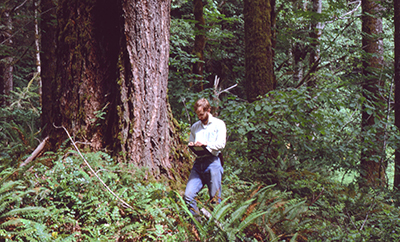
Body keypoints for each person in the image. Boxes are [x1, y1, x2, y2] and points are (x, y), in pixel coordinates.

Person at [184, 98, 226, 216]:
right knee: (188, 195)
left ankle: (217, 227)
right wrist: (192, 145)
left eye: (201, 114)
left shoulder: (219, 124)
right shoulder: (195, 127)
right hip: (198, 163)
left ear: (208, 110)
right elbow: (191, 142)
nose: (199, 117)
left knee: (215, 199)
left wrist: (206, 145)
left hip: (213, 162)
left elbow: (221, 144)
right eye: (197, 114)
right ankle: (197, 225)